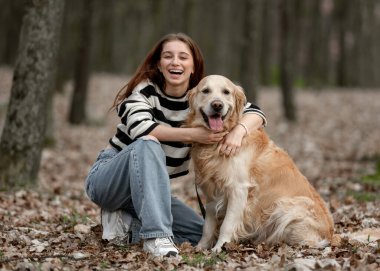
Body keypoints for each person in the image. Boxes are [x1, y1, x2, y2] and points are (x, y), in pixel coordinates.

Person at [84, 33, 267, 257]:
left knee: (197, 234)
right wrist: (194, 134)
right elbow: (143, 130)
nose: (175, 62)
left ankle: (126, 225)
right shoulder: (143, 92)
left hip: (149, 190)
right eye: (168, 56)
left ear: (193, 66)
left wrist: (238, 132)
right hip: (109, 180)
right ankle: (156, 237)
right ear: (159, 65)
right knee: (148, 144)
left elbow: (255, 112)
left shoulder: (203, 94)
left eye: (183, 57)